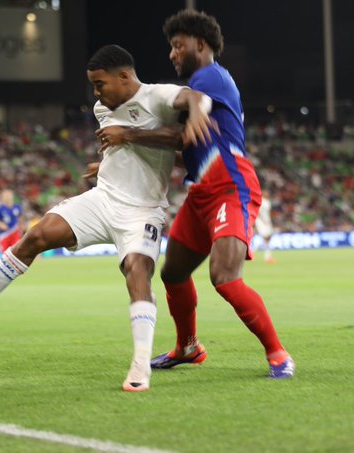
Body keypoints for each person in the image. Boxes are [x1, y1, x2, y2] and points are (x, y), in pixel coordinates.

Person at [0, 44, 215, 392]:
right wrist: (109, 161)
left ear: (124, 76)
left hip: (142, 211)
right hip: (102, 198)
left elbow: (197, 100)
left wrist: (186, 114)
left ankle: (140, 364)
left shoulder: (158, 96)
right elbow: (129, 149)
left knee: (137, 273)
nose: (96, 93)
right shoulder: (103, 108)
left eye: (100, 84)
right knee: (37, 236)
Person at [100, 10, 294, 378]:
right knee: (173, 274)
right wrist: (115, 163)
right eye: (171, 48)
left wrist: (127, 136)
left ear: (200, 45)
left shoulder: (210, 77)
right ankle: (187, 346)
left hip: (229, 185)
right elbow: (185, 147)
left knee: (224, 276)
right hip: (201, 192)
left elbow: (181, 136)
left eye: (178, 46)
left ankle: (278, 354)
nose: (172, 54)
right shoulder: (200, 88)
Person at [255, 195, 277, 263]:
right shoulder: (260, 202)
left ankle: (254, 252)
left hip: (266, 221)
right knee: (266, 238)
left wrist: (269, 221)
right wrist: (263, 220)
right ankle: (267, 257)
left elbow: (268, 213)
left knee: (267, 238)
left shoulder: (267, 202)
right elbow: (257, 212)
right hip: (260, 222)